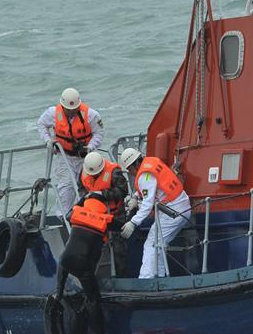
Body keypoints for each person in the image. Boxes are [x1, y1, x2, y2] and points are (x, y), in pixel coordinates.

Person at [118, 148, 192, 279]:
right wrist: (135, 197)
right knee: (158, 244)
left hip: (173, 212)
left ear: (134, 165)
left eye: (129, 169)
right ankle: (160, 277)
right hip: (179, 207)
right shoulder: (151, 162)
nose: (130, 173)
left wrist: (133, 222)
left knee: (152, 243)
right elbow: (153, 186)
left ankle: (146, 279)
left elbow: (147, 204)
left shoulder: (144, 176)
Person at [54, 192, 117, 334]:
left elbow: (70, 212)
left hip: (65, 261)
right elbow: (123, 226)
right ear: (103, 207)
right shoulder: (106, 220)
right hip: (82, 266)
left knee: (59, 293)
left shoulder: (75, 213)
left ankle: (57, 300)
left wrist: (83, 199)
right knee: (93, 299)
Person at [37, 88, 104, 217]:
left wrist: (90, 147)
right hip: (64, 157)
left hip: (84, 158)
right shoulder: (52, 113)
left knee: (88, 187)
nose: (72, 111)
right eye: (69, 109)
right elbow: (41, 124)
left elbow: (99, 133)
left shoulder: (91, 115)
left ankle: (88, 216)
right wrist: (48, 141)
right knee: (66, 187)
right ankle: (63, 217)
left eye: (74, 109)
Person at [80, 151, 129, 276]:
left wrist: (103, 194)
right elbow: (82, 189)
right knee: (96, 246)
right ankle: (97, 275)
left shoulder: (114, 172)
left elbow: (123, 191)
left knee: (119, 248)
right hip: (95, 216)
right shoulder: (85, 172)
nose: (94, 175)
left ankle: (121, 276)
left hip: (115, 214)